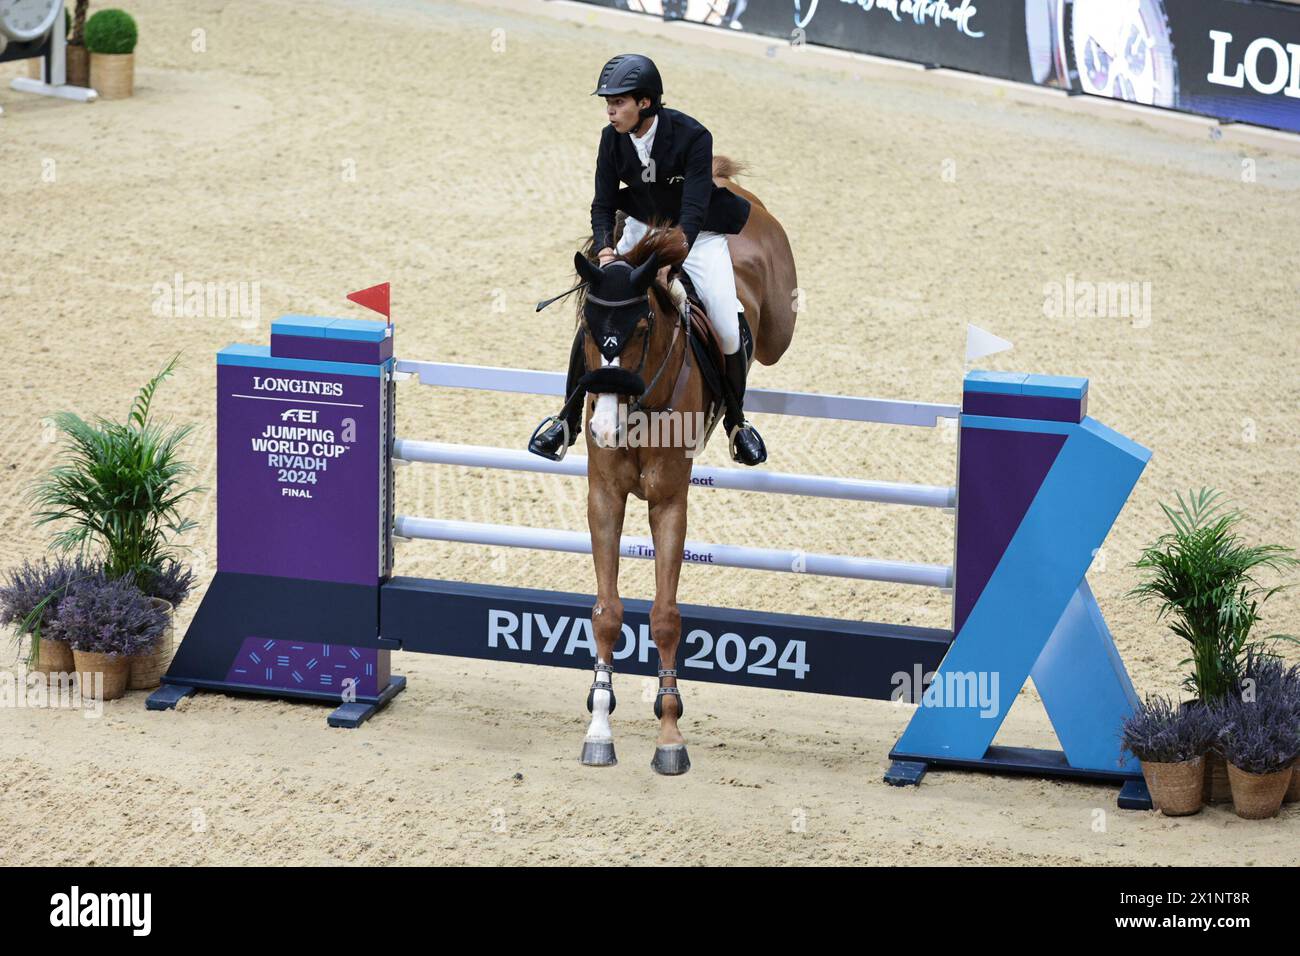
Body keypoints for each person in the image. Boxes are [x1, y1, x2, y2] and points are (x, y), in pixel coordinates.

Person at [527, 53, 767, 466]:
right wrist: (605, 248)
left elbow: (691, 214)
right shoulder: (611, 138)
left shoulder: (693, 137)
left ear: (645, 103)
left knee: (727, 322)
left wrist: (669, 260)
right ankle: (565, 419)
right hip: (639, 226)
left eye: (618, 102)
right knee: (600, 314)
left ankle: (737, 423)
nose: (610, 110)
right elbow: (602, 203)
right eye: (608, 102)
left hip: (698, 235)